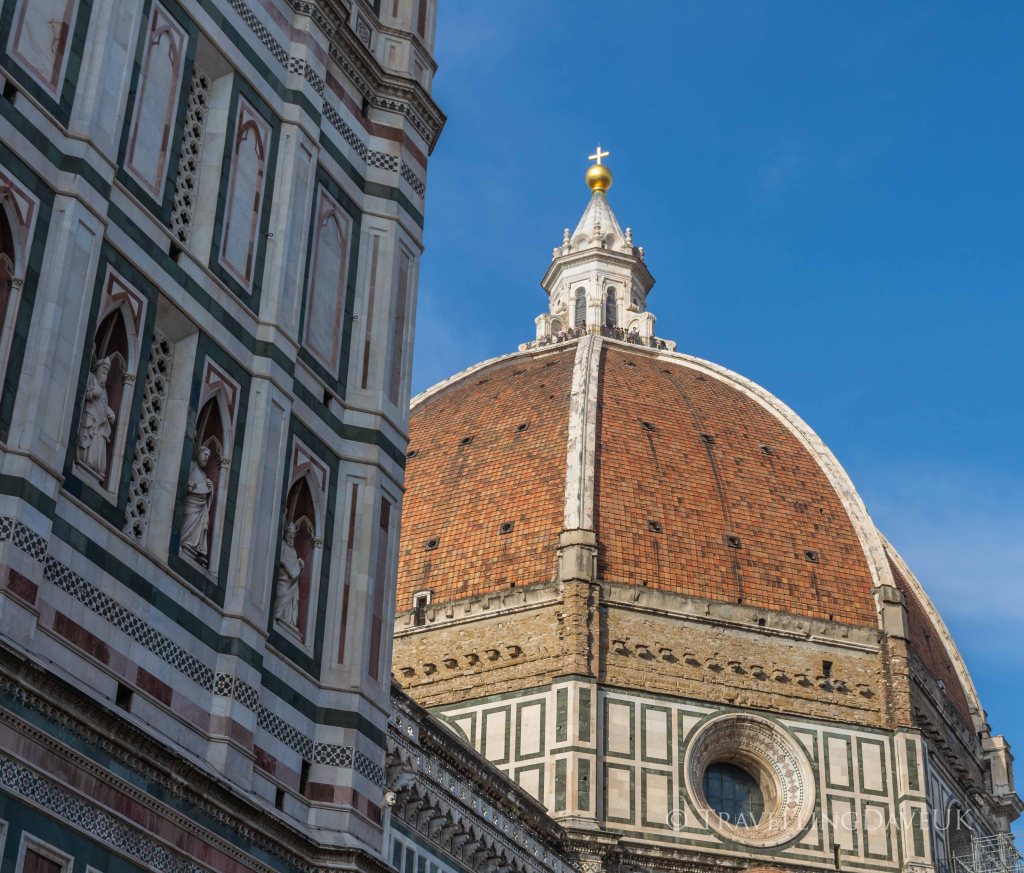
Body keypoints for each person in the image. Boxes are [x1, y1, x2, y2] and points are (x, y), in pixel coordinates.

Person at [76, 357, 116, 482]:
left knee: (97, 448)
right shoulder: (91, 378)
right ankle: (84, 461)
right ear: (97, 371)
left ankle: (94, 468)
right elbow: (85, 392)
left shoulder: (104, 390)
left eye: (106, 373)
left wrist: (111, 413)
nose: (105, 376)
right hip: (90, 418)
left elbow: (104, 405)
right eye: (103, 372)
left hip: (100, 423)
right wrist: (92, 393)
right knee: (87, 442)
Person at [181, 444, 214, 565]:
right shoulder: (191, 465)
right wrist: (193, 487)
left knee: (197, 529)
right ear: (199, 453)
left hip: (200, 507)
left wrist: (210, 489)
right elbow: (185, 484)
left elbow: (206, 492)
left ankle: (193, 547)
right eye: (205, 454)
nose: (206, 457)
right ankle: (185, 541)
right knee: (188, 522)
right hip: (191, 505)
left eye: (208, 456)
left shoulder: (204, 475)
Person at [274, 522, 304, 631]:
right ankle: (279, 616)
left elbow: (294, 564)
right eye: (290, 532)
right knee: (281, 597)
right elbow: (279, 558)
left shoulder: (294, 550)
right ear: (286, 533)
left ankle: (288, 620)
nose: (291, 535)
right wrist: (287, 567)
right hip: (284, 579)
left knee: (292, 601)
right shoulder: (282, 544)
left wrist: (300, 564)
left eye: (293, 533)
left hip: (292, 581)